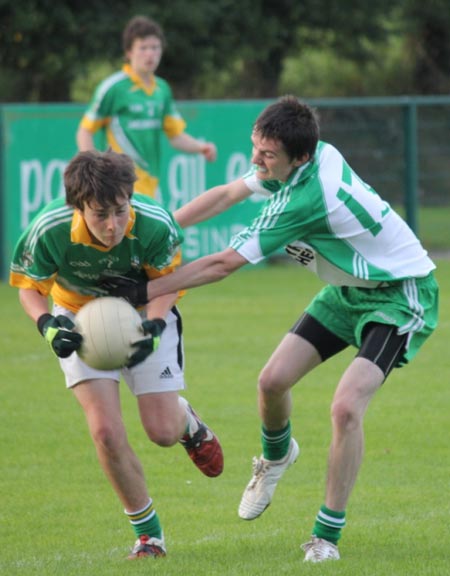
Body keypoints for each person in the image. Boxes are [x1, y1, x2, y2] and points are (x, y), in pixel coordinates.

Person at [101, 95, 439, 563]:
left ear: (298, 157)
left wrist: (141, 289)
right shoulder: (302, 156)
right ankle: (277, 456)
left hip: (399, 296)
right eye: (255, 148)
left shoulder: (307, 197)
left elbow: (222, 264)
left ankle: (325, 538)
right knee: (271, 382)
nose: (256, 161)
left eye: (267, 155)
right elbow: (224, 194)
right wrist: (152, 228)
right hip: (347, 290)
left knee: (345, 408)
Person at [9, 149, 223, 560]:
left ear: (130, 197)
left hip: (145, 310)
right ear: (78, 208)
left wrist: (157, 325)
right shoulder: (49, 228)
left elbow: (168, 283)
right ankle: (149, 536)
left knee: (161, 431)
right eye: (100, 214)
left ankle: (187, 422)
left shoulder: (156, 223)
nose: (113, 226)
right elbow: (29, 287)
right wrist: (47, 326)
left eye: (121, 211)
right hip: (76, 316)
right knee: (105, 432)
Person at [76, 15, 217, 199]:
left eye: (155, 47)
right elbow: (84, 131)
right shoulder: (113, 88)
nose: (150, 54)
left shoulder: (162, 89)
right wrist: (95, 172)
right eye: (143, 48)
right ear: (129, 52)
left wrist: (201, 147)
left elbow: (175, 136)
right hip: (119, 185)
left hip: (152, 187)